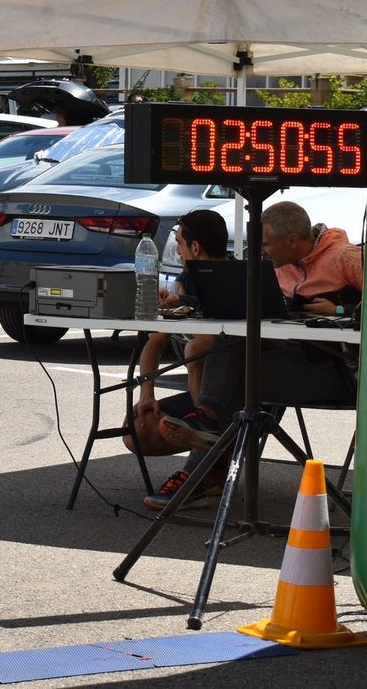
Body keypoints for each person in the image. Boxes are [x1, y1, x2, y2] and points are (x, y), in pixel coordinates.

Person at [158, 201, 360, 454]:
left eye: (266, 244)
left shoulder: (346, 257)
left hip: (338, 369)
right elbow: (245, 304)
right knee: (230, 341)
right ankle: (208, 425)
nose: (262, 251)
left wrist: (340, 310)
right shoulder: (281, 266)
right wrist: (185, 301)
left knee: (239, 378)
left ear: (292, 240)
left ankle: (211, 456)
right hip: (295, 355)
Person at [126, 208, 228, 509]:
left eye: (180, 245)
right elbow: (153, 343)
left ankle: (201, 469)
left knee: (196, 348)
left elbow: (211, 342)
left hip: (233, 394)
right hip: (200, 395)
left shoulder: (236, 280)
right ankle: (211, 459)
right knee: (138, 432)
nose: (179, 252)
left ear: (195, 247)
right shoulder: (186, 281)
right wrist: (147, 395)